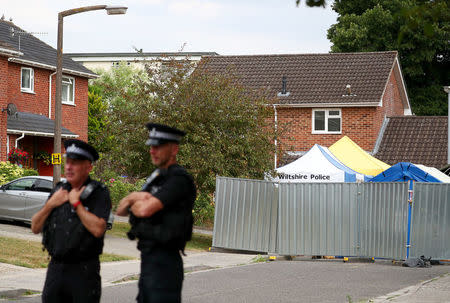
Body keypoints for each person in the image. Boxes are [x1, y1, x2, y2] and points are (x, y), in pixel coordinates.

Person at [116, 123, 196, 303]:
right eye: (151, 146)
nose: (152, 151)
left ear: (174, 149)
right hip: (148, 261)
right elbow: (120, 210)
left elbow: (144, 210)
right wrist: (134, 197)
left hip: (166, 263)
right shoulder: (156, 178)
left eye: (158, 146)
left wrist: (137, 201)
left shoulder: (179, 179)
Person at [31, 139, 111, 303]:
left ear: (88, 167)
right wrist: (51, 204)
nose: (68, 167)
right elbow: (35, 227)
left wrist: (77, 204)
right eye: (67, 162)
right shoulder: (59, 190)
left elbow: (98, 229)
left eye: (74, 163)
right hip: (56, 269)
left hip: (84, 271)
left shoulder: (99, 193)